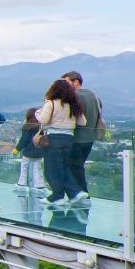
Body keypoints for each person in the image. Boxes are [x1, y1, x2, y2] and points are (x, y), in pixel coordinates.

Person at [35, 78, 89, 208]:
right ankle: (75, 192)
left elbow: (43, 119)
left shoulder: (51, 103)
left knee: (51, 168)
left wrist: (37, 113)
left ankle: (58, 196)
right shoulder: (73, 104)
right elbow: (83, 122)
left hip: (53, 138)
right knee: (64, 167)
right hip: (69, 138)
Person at [63, 70, 104, 204]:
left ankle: (79, 195)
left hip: (77, 137)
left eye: (67, 82)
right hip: (90, 137)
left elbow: (72, 117)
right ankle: (81, 195)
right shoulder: (94, 95)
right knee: (78, 167)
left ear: (76, 82)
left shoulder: (75, 97)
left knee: (71, 167)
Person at [13, 107, 47, 195]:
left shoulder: (27, 128)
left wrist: (17, 149)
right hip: (39, 153)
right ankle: (40, 186)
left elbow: (23, 140)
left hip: (28, 153)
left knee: (24, 167)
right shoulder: (42, 128)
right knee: (37, 169)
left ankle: (21, 184)